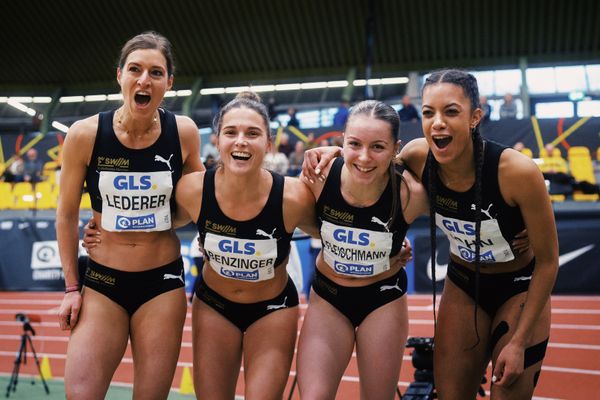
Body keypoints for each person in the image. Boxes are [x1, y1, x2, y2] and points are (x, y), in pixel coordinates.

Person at [302, 70, 552, 399]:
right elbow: (373, 159)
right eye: (428, 112)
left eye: (451, 111)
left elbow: (548, 262)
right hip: (464, 284)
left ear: (475, 116)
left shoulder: (517, 172)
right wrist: (336, 152)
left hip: (517, 285)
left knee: (507, 392)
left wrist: (519, 342)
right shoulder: (419, 157)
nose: (438, 123)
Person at [56, 31, 203, 399]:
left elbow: (200, 203)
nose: (144, 80)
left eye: (156, 72)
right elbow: (65, 215)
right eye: (135, 69)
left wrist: (162, 219)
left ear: (169, 82)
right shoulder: (84, 134)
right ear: (119, 74)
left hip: (162, 284)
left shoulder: (183, 132)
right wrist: (72, 288)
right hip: (103, 283)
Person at [174, 91, 318, 399]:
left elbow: (333, 231)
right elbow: (154, 221)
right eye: (231, 132)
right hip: (214, 306)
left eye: (252, 134)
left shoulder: (294, 197)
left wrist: (391, 250)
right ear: (217, 141)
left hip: (273, 309)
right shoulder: (192, 190)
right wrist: (98, 227)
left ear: (268, 144)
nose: (241, 141)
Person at [296, 100, 428, 399]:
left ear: (396, 149)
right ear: (342, 141)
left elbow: (464, 209)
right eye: (354, 144)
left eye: (378, 147)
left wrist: (517, 233)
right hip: (329, 299)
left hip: (382, 301)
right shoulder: (318, 176)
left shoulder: (411, 194)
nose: (364, 158)